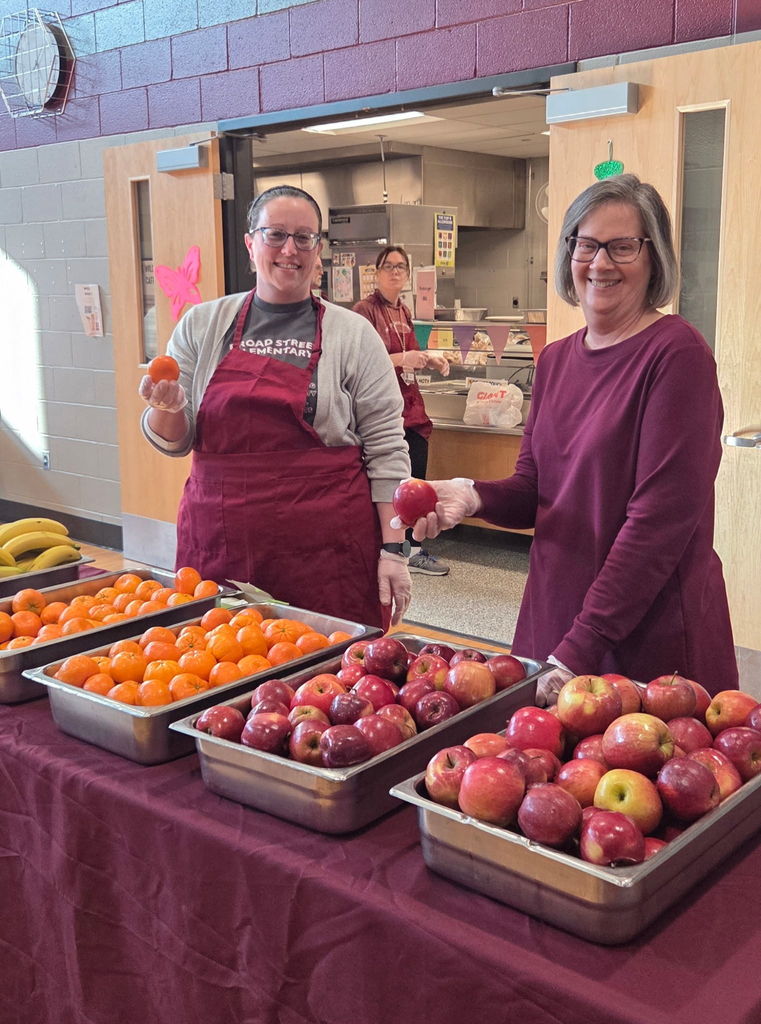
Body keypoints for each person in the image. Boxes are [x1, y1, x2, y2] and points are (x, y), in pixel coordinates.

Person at [398, 174, 737, 702]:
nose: (600, 263)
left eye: (622, 246)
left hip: (642, 639)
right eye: (586, 244)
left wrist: (578, 649)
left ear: (654, 257)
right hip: (554, 620)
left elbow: (658, 525)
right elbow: (537, 489)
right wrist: (473, 493)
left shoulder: (676, 355)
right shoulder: (556, 359)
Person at [138, 184, 411, 631]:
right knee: (218, 669)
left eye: (304, 237)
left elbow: (386, 449)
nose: (291, 249)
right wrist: (164, 406)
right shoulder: (202, 325)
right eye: (276, 234)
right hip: (220, 542)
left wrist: (394, 551)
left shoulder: (353, 334)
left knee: (330, 680)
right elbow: (175, 438)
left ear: (318, 248)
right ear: (250, 244)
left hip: (326, 552)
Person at [353, 245, 451, 576]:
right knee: (392, 483)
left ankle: (414, 547)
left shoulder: (403, 312)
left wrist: (430, 358)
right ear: (377, 273)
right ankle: (396, 548)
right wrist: (403, 360)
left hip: (411, 405)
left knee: (416, 480)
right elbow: (362, 361)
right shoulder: (364, 311)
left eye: (401, 267)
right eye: (388, 266)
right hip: (382, 408)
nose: (395, 272)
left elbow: (411, 353)